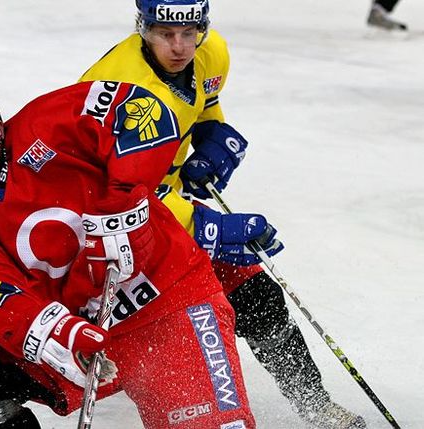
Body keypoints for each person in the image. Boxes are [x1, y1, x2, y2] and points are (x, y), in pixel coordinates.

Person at [0, 74, 272, 428]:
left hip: (167, 304)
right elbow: (3, 300)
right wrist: (64, 337)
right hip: (87, 336)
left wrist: (121, 205)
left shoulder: (50, 123)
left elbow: (145, 112)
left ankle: (318, 407)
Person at [78, 1, 366, 428]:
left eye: (189, 31)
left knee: (259, 299)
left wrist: (210, 135)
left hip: (167, 210)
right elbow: (106, 192)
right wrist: (203, 224)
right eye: (163, 33)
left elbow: (202, 105)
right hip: (110, 229)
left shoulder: (212, 53)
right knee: (133, 337)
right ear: (142, 28)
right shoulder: (111, 88)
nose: (178, 46)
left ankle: (314, 404)